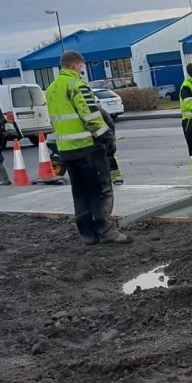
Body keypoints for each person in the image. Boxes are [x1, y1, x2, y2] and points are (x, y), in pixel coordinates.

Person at [44, 50, 131, 245]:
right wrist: (106, 136)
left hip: (66, 149)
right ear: (75, 65)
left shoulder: (51, 89)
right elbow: (90, 114)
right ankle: (106, 230)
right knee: (101, 190)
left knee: (80, 192)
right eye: (81, 67)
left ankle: (87, 233)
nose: (82, 71)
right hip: (87, 147)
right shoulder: (76, 84)